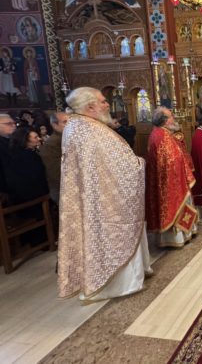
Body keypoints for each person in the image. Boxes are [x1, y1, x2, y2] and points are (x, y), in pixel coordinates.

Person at [58, 87, 152, 302]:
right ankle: (118, 285)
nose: (107, 104)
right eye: (102, 101)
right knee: (107, 234)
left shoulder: (78, 126)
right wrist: (139, 164)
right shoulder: (89, 129)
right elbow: (117, 165)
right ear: (90, 106)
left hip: (97, 197)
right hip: (103, 200)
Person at [146, 107, 198, 247]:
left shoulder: (162, 133)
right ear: (164, 121)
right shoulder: (161, 136)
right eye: (171, 116)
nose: (173, 118)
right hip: (171, 182)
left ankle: (185, 233)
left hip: (173, 178)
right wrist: (184, 172)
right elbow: (171, 161)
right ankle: (176, 238)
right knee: (175, 205)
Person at [39, 112, 68, 205]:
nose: (70, 125)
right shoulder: (51, 145)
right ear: (55, 125)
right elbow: (55, 172)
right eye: (65, 122)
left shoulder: (68, 138)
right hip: (63, 189)